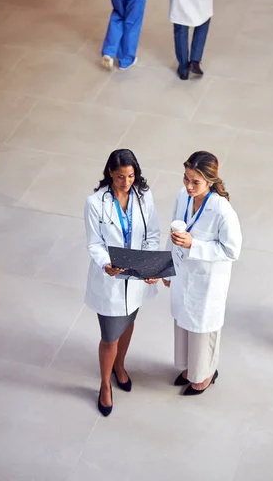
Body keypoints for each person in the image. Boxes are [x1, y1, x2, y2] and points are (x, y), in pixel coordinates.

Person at [84, 149, 160, 416]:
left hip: (136, 275)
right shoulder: (95, 203)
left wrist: (150, 266)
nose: (126, 182)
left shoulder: (143, 196)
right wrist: (106, 264)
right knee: (109, 335)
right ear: (109, 174)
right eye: (120, 177)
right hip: (111, 277)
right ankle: (105, 385)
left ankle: (119, 366)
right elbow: (94, 243)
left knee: (128, 322)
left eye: (130, 176)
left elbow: (153, 234)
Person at [163, 151, 242, 395]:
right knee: (184, 323)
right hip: (182, 274)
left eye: (195, 182)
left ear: (210, 181)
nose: (188, 186)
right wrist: (167, 266)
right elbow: (173, 230)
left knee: (202, 329)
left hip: (207, 284)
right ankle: (189, 368)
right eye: (186, 179)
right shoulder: (183, 196)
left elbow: (232, 250)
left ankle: (205, 375)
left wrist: (194, 245)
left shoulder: (222, 211)